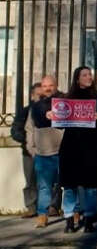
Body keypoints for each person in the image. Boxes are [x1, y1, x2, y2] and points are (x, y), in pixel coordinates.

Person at [54, 66, 97, 233]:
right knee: (69, 186)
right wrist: (52, 116)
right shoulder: (67, 98)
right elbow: (60, 123)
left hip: (90, 147)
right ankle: (69, 219)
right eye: (84, 75)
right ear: (77, 79)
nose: (89, 77)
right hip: (70, 147)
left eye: (90, 74)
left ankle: (89, 218)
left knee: (90, 186)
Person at [25, 75, 64, 228]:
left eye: (50, 85)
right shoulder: (36, 106)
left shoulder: (65, 101)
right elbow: (31, 128)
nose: (47, 88)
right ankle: (43, 215)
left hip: (63, 151)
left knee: (69, 186)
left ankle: (73, 213)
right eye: (45, 85)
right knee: (44, 186)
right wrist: (32, 149)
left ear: (56, 85)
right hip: (42, 153)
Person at [10, 83, 41, 218]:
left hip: (47, 150)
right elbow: (15, 130)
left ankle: (51, 207)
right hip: (28, 152)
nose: (41, 98)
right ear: (32, 96)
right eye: (39, 95)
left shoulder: (50, 110)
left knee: (50, 181)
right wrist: (26, 140)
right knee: (30, 180)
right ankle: (31, 207)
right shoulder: (24, 111)